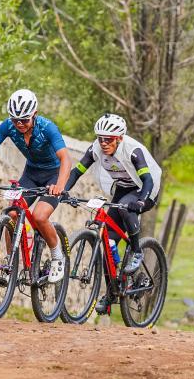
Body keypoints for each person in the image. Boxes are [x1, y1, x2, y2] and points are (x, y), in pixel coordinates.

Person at [0, 89, 71, 282]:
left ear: (34, 114)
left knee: (40, 216)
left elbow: (65, 158)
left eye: (24, 120)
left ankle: (58, 256)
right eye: (15, 120)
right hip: (31, 174)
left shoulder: (47, 128)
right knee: (13, 214)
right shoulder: (8, 126)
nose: (19, 124)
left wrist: (59, 185)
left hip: (53, 175)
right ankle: (12, 263)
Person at [63, 113, 162, 313]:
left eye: (108, 139)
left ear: (119, 138)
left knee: (126, 207)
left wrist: (141, 201)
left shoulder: (132, 151)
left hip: (145, 189)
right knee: (108, 243)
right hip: (123, 188)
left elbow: (148, 181)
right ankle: (111, 293)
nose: (104, 143)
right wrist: (63, 190)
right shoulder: (96, 148)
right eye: (100, 138)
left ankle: (136, 251)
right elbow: (77, 171)